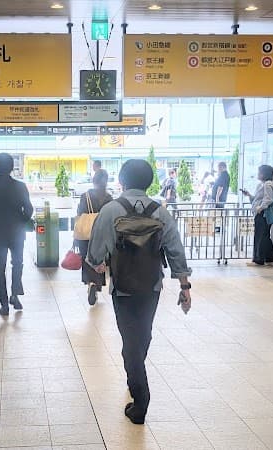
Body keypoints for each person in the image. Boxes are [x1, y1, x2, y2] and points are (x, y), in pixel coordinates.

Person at [87, 159, 192, 425]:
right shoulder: (161, 212)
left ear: (121, 181)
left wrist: (98, 265)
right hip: (151, 286)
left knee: (130, 343)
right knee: (142, 336)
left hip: (122, 289)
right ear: (150, 182)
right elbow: (175, 250)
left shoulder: (111, 211)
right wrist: (184, 285)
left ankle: (141, 398)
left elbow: (95, 254)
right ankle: (136, 375)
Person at [0, 153, 34, 316]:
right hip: (17, 232)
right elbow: (29, 209)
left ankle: (4, 304)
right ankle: (15, 296)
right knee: (17, 263)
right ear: (12, 167)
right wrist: (22, 220)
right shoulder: (20, 186)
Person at [76, 170, 112, 306]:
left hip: (86, 233)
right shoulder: (109, 198)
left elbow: (80, 214)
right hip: (102, 233)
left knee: (86, 258)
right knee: (100, 258)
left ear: (93, 181)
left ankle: (90, 283)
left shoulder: (85, 196)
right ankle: (96, 285)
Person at [240, 165, 273, 266]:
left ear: (264, 174)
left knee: (260, 237)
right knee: (264, 236)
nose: (258, 174)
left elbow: (268, 199)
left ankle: (258, 260)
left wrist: (259, 208)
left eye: (260, 172)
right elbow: (258, 199)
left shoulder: (267, 185)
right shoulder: (262, 185)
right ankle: (271, 259)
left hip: (263, 214)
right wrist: (249, 195)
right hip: (261, 214)